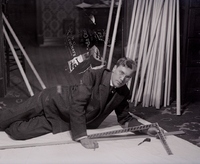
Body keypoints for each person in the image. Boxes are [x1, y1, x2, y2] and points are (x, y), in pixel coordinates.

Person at [0, 57, 158, 149]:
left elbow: (124, 119)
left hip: (62, 119)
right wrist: (82, 137)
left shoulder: (124, 92)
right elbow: (78, 104)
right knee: (8, 117)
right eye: (121, 73)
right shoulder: (94, 74)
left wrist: (145, 129)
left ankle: (18, 121)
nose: (122, 79)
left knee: (19, 133)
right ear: (114, 68)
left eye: (128, 77)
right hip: (52, 99)